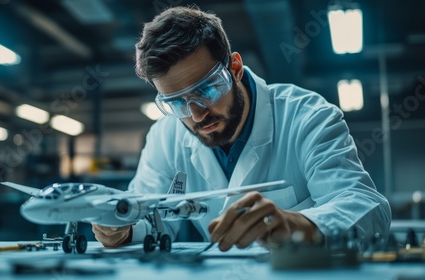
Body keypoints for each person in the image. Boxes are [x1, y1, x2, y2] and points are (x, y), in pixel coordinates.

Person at [92, 5, 391, 251]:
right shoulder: (164, 137)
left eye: (206, 90)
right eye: (177, 103)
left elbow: (367, 207)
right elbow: (148, 216)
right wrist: (122, 230)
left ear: (234, 68)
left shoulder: (308, 117)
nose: (196, 115)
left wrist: (298, 225)